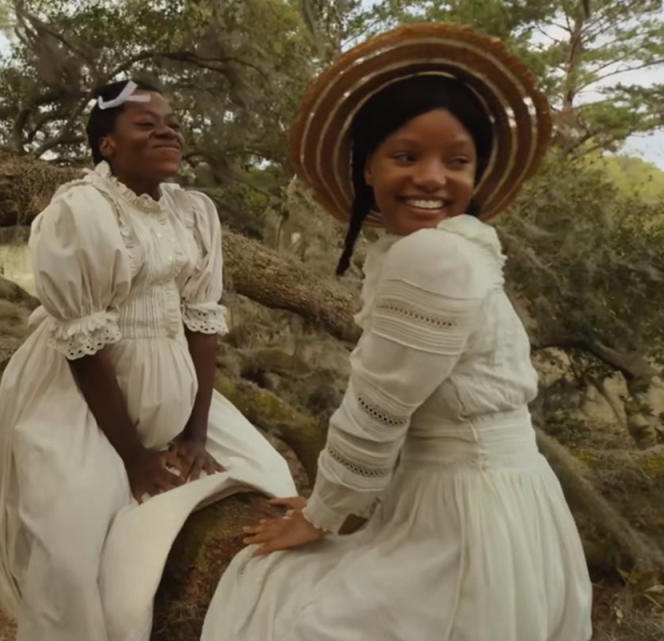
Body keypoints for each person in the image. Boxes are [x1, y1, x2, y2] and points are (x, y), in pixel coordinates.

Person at [201, 23, 592, 641]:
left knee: (276, 607)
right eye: (406, 156)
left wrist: (324, 515)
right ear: (367, 169)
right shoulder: (450, 250)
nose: (433, 178)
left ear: (479, 171)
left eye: (456, 161)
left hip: (464, 519)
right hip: (502, 505)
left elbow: (378, 408)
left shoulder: (433, 257)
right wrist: (346, 505)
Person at [0, 78, 296, 641]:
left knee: (272, 477)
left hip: (178, 384)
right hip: (88, 397)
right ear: (108, 146)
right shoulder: (81, 212)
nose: (167, 130)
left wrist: (195, 432)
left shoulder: (194, 213)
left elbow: (201, 322)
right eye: (145, 124)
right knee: (69, 551)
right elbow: (87, 348)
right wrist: (136, 459)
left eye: (172, 122)